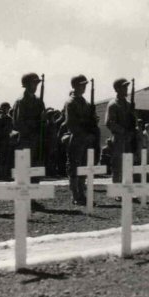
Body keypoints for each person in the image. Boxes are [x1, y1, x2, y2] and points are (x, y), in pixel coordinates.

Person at [63, 74, 98, 205]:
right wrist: (84, 131)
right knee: (74, 167)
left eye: (85, 85)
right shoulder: (71, 102)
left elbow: (90, 120)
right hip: (76, 137)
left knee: (84, 166)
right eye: (81, 85)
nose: (84, 87)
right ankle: (75, 195)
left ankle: (82, 193)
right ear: (75, 86)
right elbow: (71, 123)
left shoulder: (86, 103)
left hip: (86, 139)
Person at [105, 77, 137, 183]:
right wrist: (123, 131)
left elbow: (132, 122)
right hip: (119, 138)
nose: (126, 89)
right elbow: (109, 123)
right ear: (117, 89)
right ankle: (117, 190)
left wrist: (132, 130)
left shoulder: (128, 105)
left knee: (128, 166)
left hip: (128, 139)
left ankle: (127, 189)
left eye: (127, 87)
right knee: (117, 166)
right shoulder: (113, 104)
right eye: (124, 87)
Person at [12, 73, 46, 167]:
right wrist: (36, 123)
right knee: (24, 169)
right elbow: (18, 123)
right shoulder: (21, 101)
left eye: (37, 84)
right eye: (33, 83)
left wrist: (43, 120)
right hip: (25, 139)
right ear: (26, 85)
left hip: (36, 138)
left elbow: (44, 120)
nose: (36, 86)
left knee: (35, 171)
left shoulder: (39, 100)